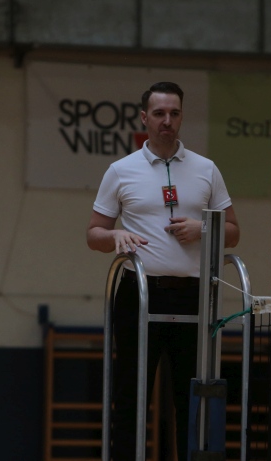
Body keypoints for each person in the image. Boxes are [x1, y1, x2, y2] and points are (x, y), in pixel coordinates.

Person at [86, 81, 240, 460]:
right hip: (139, 294)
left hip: (192, 296)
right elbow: (93, 234)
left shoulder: (206, 169)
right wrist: (115, 235)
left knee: (190, 394)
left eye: (174, 113)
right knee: (131, 393)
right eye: (159, 114)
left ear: (182, 117)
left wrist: (203, 229)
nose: (166, 121)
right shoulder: (120, 171)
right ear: (144, 118)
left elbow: (234, 232)